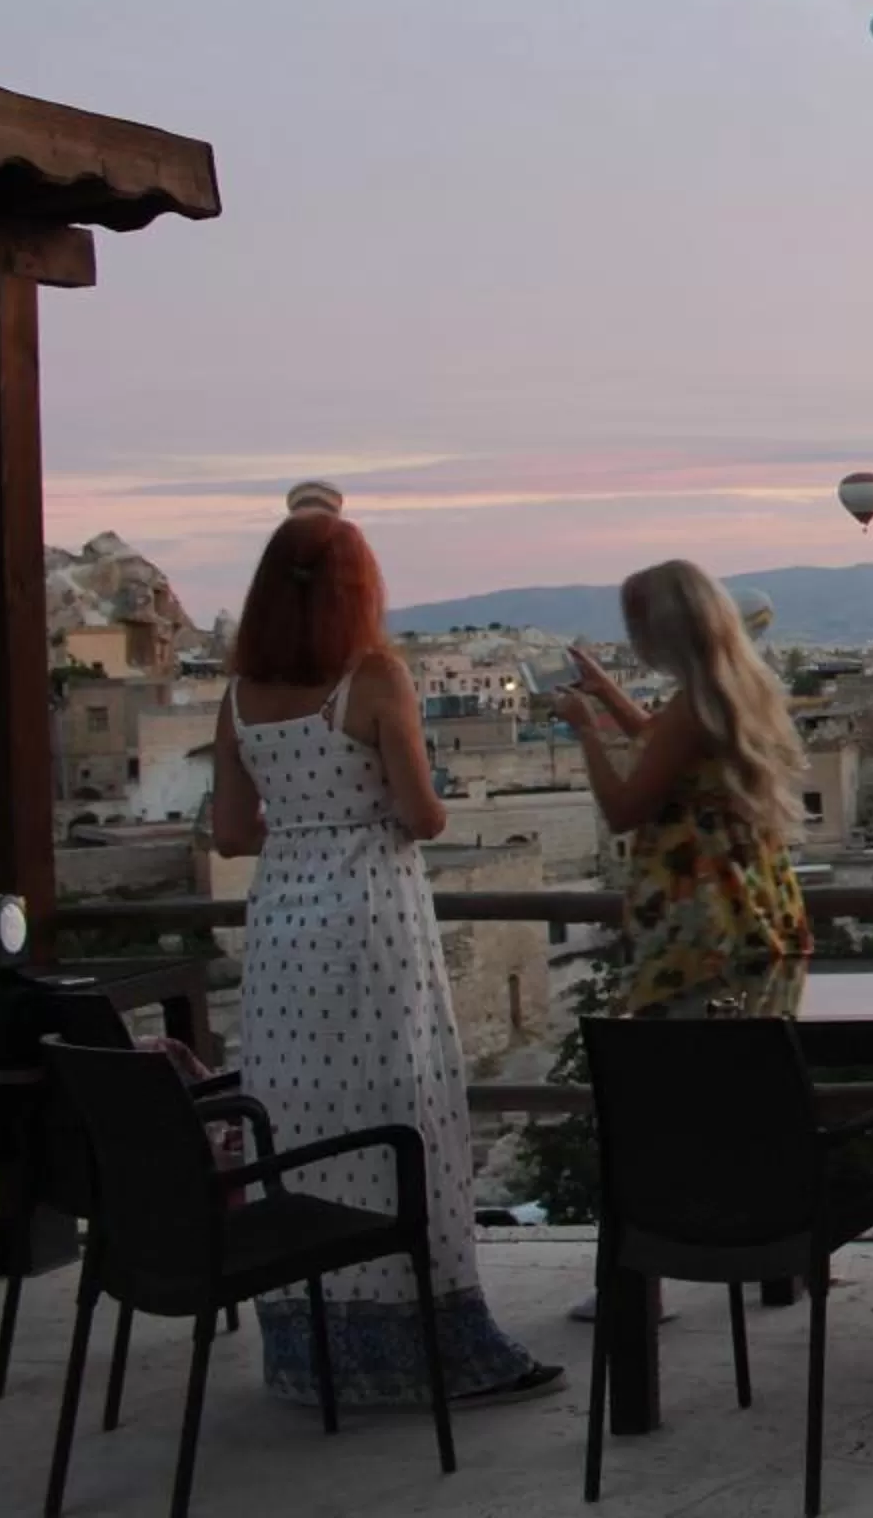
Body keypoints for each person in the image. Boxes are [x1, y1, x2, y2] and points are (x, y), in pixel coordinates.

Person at [213, 512, 560, 1408]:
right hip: (370, 915)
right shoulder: (373, 678)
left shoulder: (240, 692)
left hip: (282, 924)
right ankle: (438, 1344)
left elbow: (229, 830)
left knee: (302, 1125)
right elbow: (424, 815)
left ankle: (314, 1346)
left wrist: (300, 817)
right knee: (404, 1112)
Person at [553, 560, 814, 1019]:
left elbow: (623, 810)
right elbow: (665, 747)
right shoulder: (732, 689)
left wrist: (587, 731)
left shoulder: (691, 707)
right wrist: (607, 692)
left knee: (695, 1068)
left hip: (702, 910)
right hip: (750, 890)